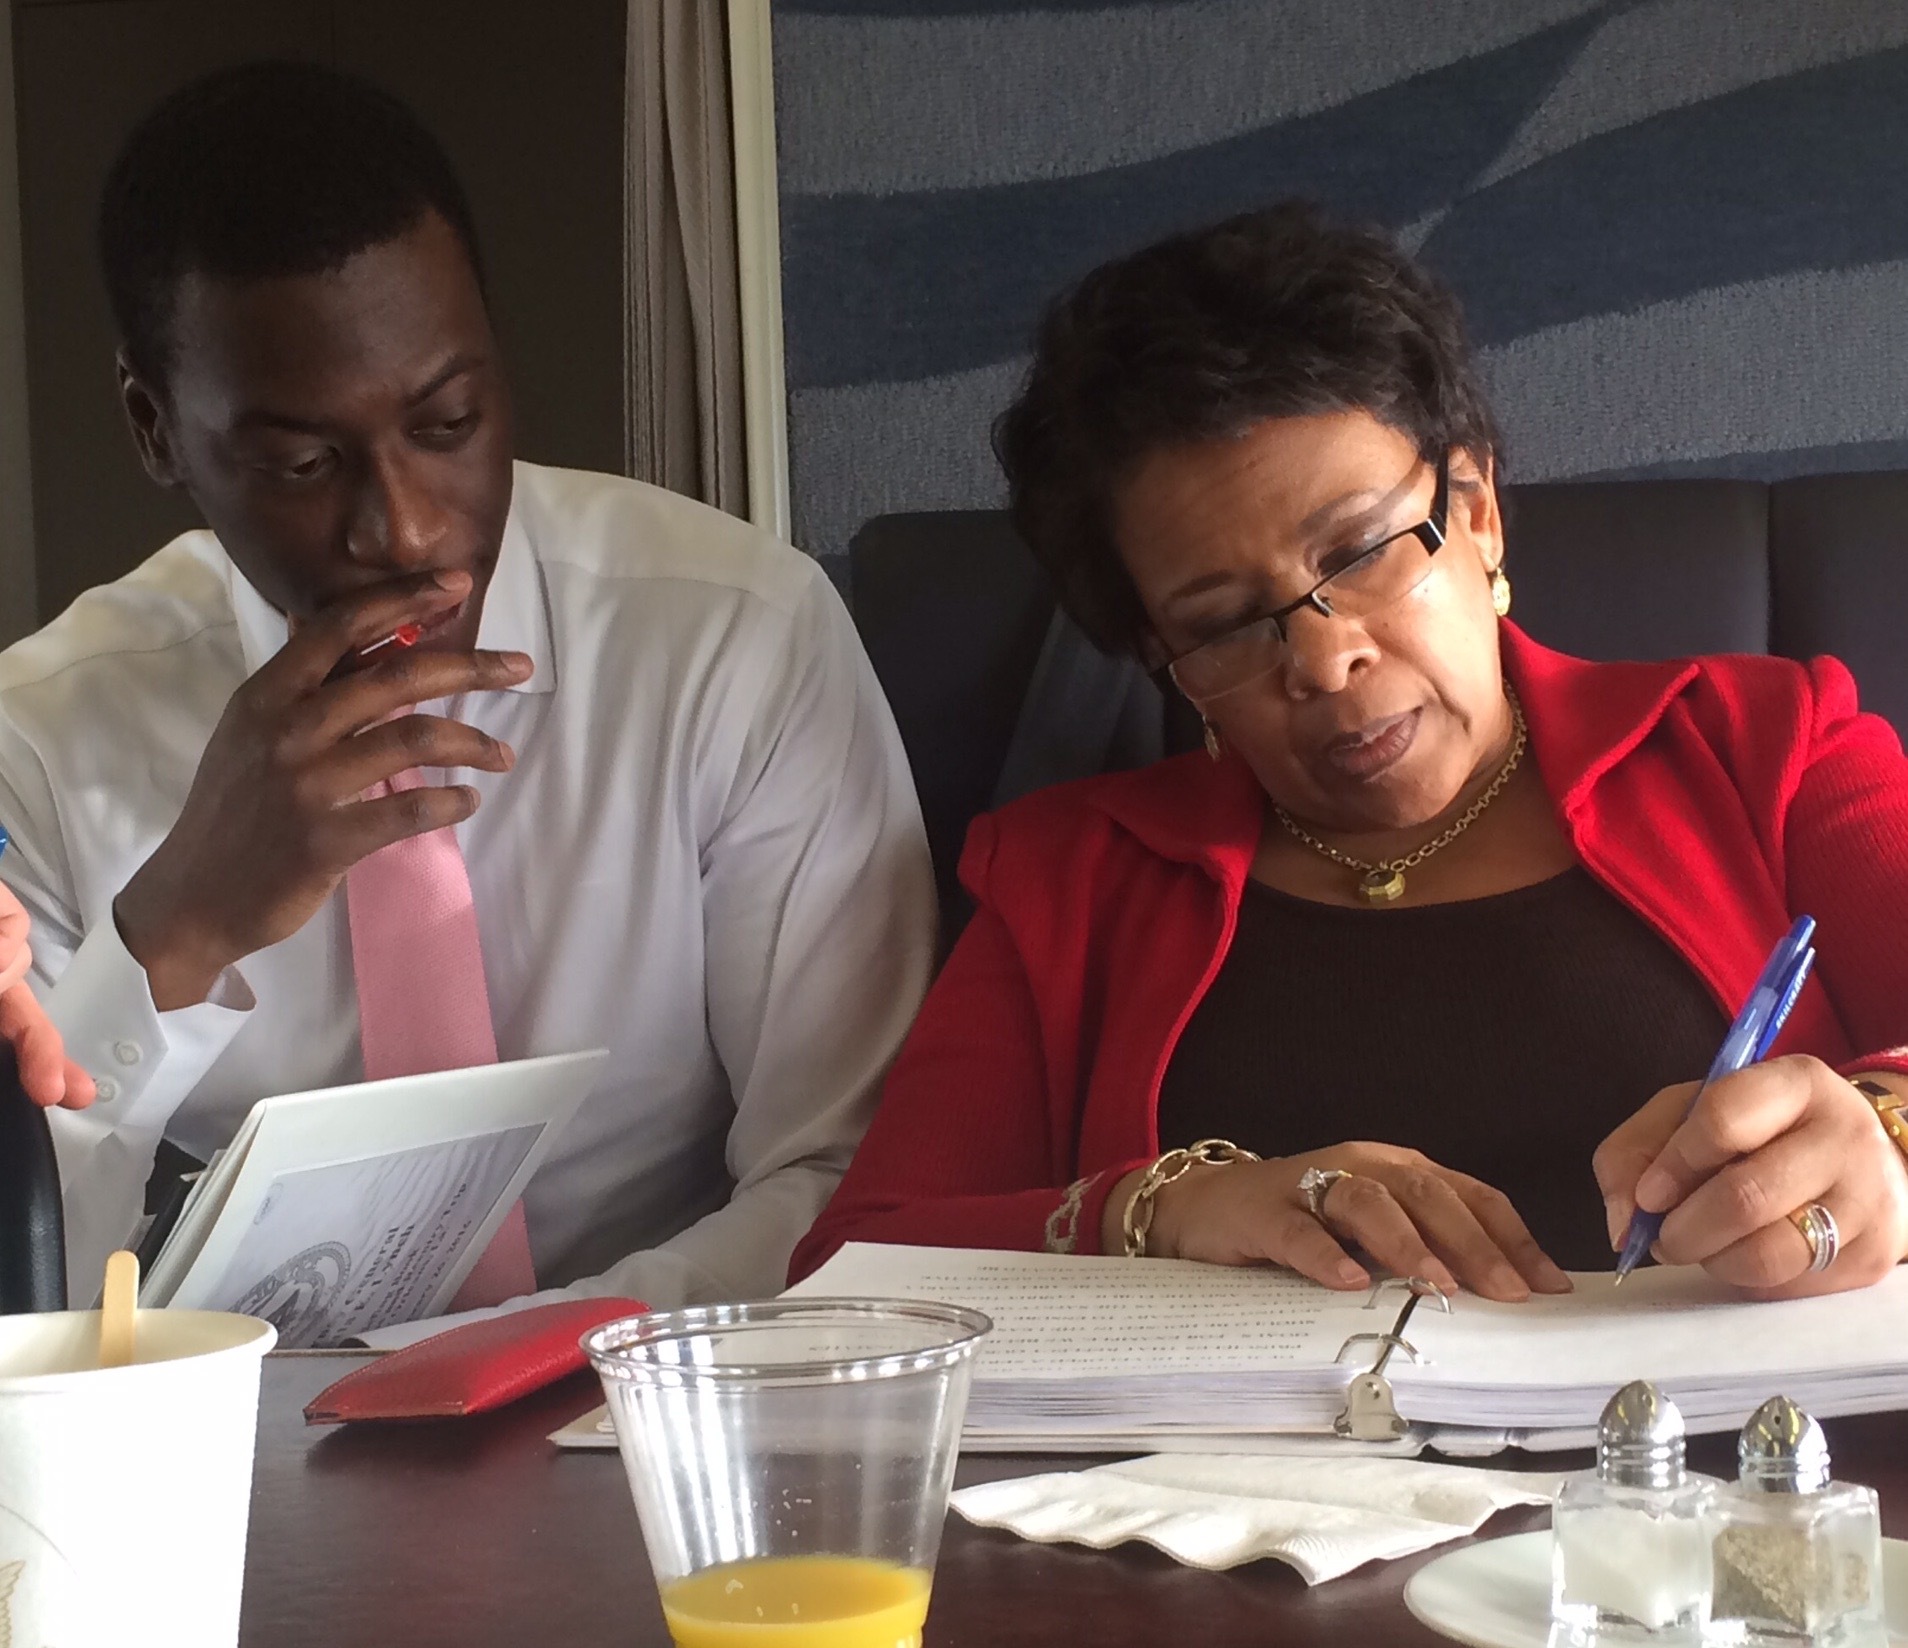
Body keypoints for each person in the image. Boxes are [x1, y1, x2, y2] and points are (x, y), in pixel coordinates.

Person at [791, 203, 1908, 1303]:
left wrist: (1889, 1138)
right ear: (1160, 654)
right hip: (1228, 1487)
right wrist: (1162, 1207)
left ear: (1475, 512)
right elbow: (856, 1271)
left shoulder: (1771, 749)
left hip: (1715, 1467)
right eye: (1225, 620)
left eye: (1364, 550)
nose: (1323, 660)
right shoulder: (1067, 879)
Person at [4, 62, 935, 1311]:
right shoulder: (48, 738)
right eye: (301, 461)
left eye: (447, 423)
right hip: (251, 1438)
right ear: (156, 428)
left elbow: (844, 1169)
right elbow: (35, 1285)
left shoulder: (733, 645)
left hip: (659, 1389)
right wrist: (175, 935)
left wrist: (523, 1363)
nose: (400, 528)